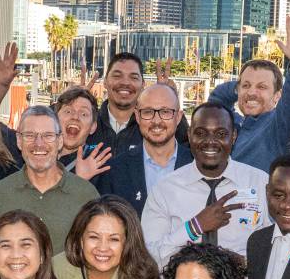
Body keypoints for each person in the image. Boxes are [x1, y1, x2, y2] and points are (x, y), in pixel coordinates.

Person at [141, 102, 271, 265]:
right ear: (189, 135)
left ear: (233, 136)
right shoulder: (165, 190)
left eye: (221, 133)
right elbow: (149, 257)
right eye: (201, 133)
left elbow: (277, 249)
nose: (210, 141)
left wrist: (242, 263)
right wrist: (194, 228)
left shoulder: (260, 182)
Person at [0, 106, 98, 252]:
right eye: (30, 135)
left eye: (48, 135)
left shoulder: (86, 194)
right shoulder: (0, 193)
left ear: (59, 141)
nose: (39, 143)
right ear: (19, 141)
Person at [208, 17, 290, 171]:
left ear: (277, 95)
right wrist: (241, 89)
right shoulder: (235, 124)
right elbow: (217, 100)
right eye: (246, 85)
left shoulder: (279, 128)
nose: (252, 92)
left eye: (262, 87)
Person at [96, 81, 191, 214]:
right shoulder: (114, 171)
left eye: (165, 112)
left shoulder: (196, 165)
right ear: (137, 117)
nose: (156, 121)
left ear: (179, 117)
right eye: (147, 112)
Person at [54, 86, 113, 180]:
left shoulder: (100, 167)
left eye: (84, 114)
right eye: (68, 111)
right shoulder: (36, 157)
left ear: (93, 127)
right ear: (55, 119)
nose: (75, 117)